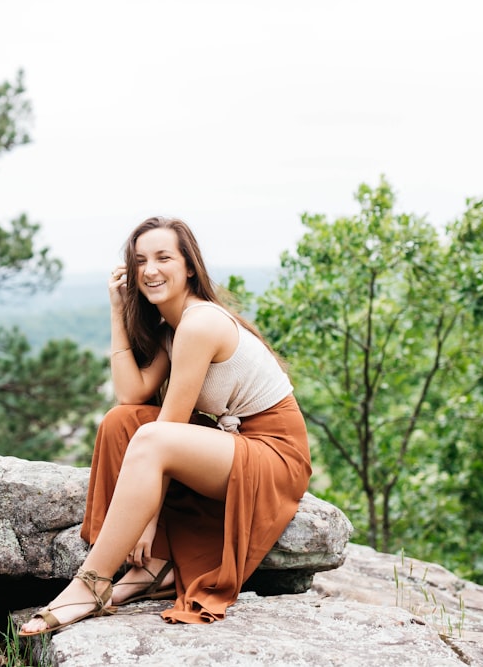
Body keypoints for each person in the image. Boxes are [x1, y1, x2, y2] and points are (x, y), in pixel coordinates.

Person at [19, 216, 311, 636]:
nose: (150, 269)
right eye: (140, 261)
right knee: (123, 422)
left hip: (273, 454)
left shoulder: (199, 323)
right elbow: (131, 397)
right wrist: (119, 312)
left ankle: (91, 585)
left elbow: (167, 429)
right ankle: (151, 571)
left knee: (151, 437)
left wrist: (148, 522)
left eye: (163, 257)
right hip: (232, 447)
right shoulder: (170, 329)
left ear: (189, 266)